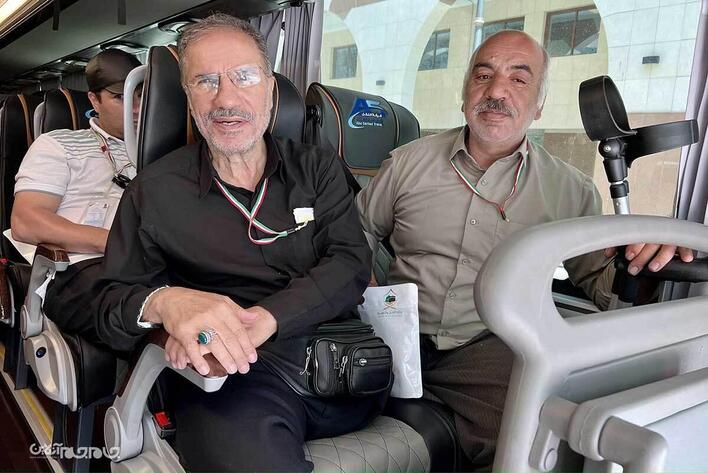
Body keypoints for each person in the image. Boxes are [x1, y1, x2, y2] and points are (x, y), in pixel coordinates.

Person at [356, 29, 694, 468]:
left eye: (518, 79)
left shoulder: (570, 190)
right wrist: (368, 300)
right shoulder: (406, 164)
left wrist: (643, 267)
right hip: (393, 338)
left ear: (539, 105)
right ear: (465, 93)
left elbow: (600, 286)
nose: (496, 91)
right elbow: (355, 234)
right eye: (483, 76)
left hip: (487, 347)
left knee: (534, 443)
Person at [94, 13, 385, 472]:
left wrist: (267, 318)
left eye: (244, 77)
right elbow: (111, 304)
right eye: (206, 81)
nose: (226, 99)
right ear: (188, 97)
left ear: (270, 89)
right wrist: (165, 303)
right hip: (228, 378)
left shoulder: (317, 167)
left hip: (343, 363)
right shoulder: (154, 190)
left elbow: (350, 263)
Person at [10, 49, 141, 343]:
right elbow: (26, 221)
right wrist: (116, 243)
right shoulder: (58, 144)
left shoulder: (161, 151)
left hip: (148, 262)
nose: (136, 108)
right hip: (81, 267)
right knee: (149, 314)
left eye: (141, 95)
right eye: (120, 97)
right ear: (94, 100)